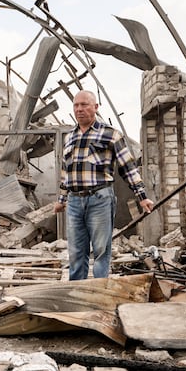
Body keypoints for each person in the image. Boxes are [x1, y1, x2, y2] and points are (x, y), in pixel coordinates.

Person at [54, 90, 154, 280]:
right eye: (76, 105)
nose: (79, 109)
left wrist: (141, 196)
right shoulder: (69, 138)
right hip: (75, 202)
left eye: (84, 104)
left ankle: (99, 291)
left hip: (100, 198)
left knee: (101, 251)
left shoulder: (110, 135)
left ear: (96, 107)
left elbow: (128, 167)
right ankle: (78, 293)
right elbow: (65, 172)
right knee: (76, 252)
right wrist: (61, 199)